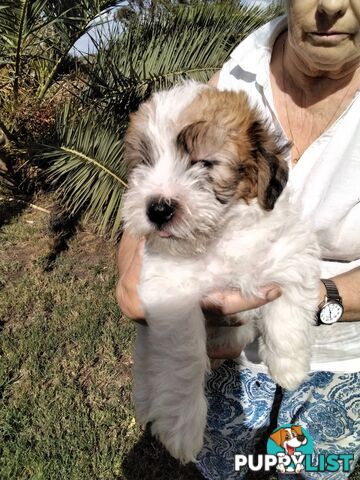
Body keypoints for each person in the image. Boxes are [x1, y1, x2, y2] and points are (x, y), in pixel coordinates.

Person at [116, 0, 360, 478]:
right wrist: (132, 268)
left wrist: (308, 304)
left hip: (345, 356)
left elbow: (291, 253)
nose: (331, 5)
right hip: (224, 364)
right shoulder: (236, 71)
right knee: (221, 464)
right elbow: (153, 221)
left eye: (205, 166)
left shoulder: (264, 193)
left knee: (314, 467)